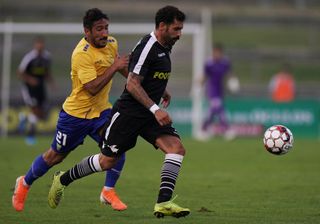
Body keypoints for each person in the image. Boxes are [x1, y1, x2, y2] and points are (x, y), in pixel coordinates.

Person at [47, 5, 190, 218]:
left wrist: (162, 90)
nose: (179, 34)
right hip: (129, 113)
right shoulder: (149, 46)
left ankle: (163, 202)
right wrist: (155, 108)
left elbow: (138, 72)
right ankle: (63, 179)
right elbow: (132, 84)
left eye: (180, 29)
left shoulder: (164, 46)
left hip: (148, 114)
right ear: (162, 26)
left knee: (176, 148)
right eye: (176, 29)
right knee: (107, 161)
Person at [12, 8, 129, 212]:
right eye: (99, 29)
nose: (104, 33)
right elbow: (92, 88)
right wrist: (115, 67)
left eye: (106, 28)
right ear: (87, 31)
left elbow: (119, 67)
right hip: (76, 116)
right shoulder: (81, 54)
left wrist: (135, 81)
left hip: (101, 112)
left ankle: (108, 191)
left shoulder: (111, 43)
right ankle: (24, 183)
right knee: (54, 157)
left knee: (118, 146)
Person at [17, 36, 54, 145]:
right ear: (35, 45)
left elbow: (46, 72)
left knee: (42, 115)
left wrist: (51, 83)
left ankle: (24, 117)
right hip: (30, 88)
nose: (40, 46)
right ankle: (30, 135)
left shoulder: (47, 57)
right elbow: (20, 72)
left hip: (41, 87)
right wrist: (30, 79)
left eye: (41, 44)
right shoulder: (29, 57)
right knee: (35, 110)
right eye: (38, 44)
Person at [202, 42, 237, 139]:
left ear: (221, 53)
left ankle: (204, 129)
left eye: (218, 53)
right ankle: (227, 129)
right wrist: (198, 85)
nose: (216, 54)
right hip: (212, 89)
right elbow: (205, 76)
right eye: (215, 52)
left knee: (213, 111)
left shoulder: (225, 63)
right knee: (219, 109)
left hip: (221, 89)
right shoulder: (209, 63)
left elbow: (230, 73)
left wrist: (233, 82)